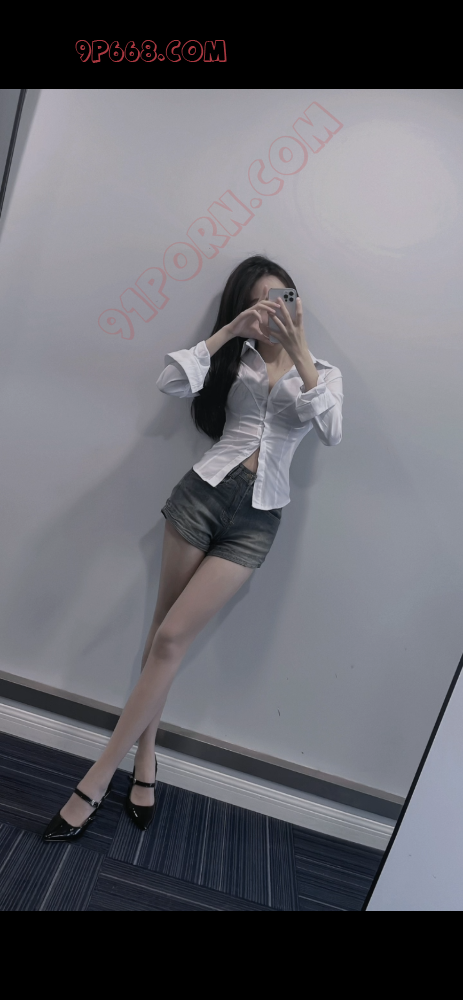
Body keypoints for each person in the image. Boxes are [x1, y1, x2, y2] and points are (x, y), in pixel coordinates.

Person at [42, 255, 343, 842]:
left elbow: (331, 430)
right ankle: (142, 760)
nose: (272, 311)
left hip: (257, 520)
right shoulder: (235, 355)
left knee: (171, 639)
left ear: (296, 302)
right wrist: (230, 331)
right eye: (258, 302)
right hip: (201, 495)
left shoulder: (323, 371)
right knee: (164, 635)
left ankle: (96, 778)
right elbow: (171, 381)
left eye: (281, 298)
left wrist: (300, 349)